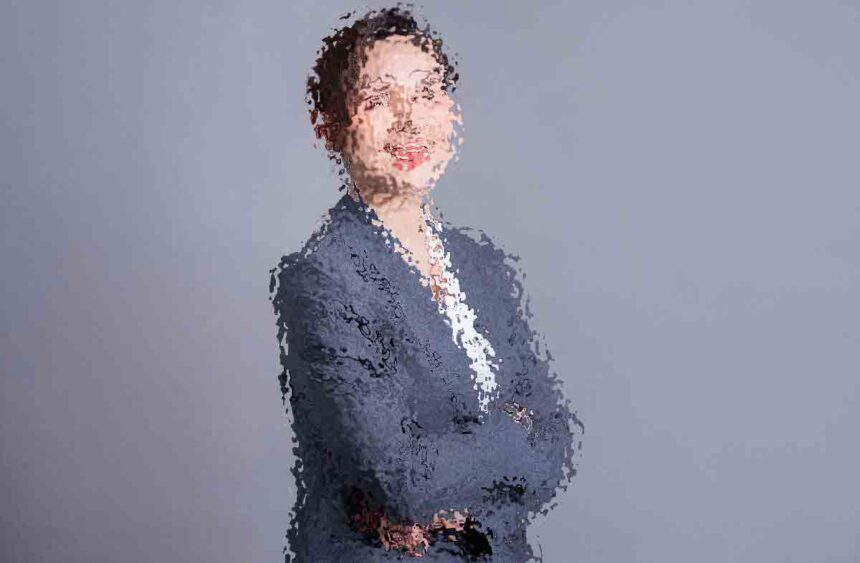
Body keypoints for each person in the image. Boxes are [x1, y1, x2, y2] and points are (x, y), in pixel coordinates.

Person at [270, 6, 583, 561]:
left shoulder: (484, 267)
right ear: (331, 128)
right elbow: (407, 480)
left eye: (426, 92)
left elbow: (554, 449)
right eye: (378, 100)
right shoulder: (323, 281)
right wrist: (511, 434)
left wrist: (454, 500)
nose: (409, 119)